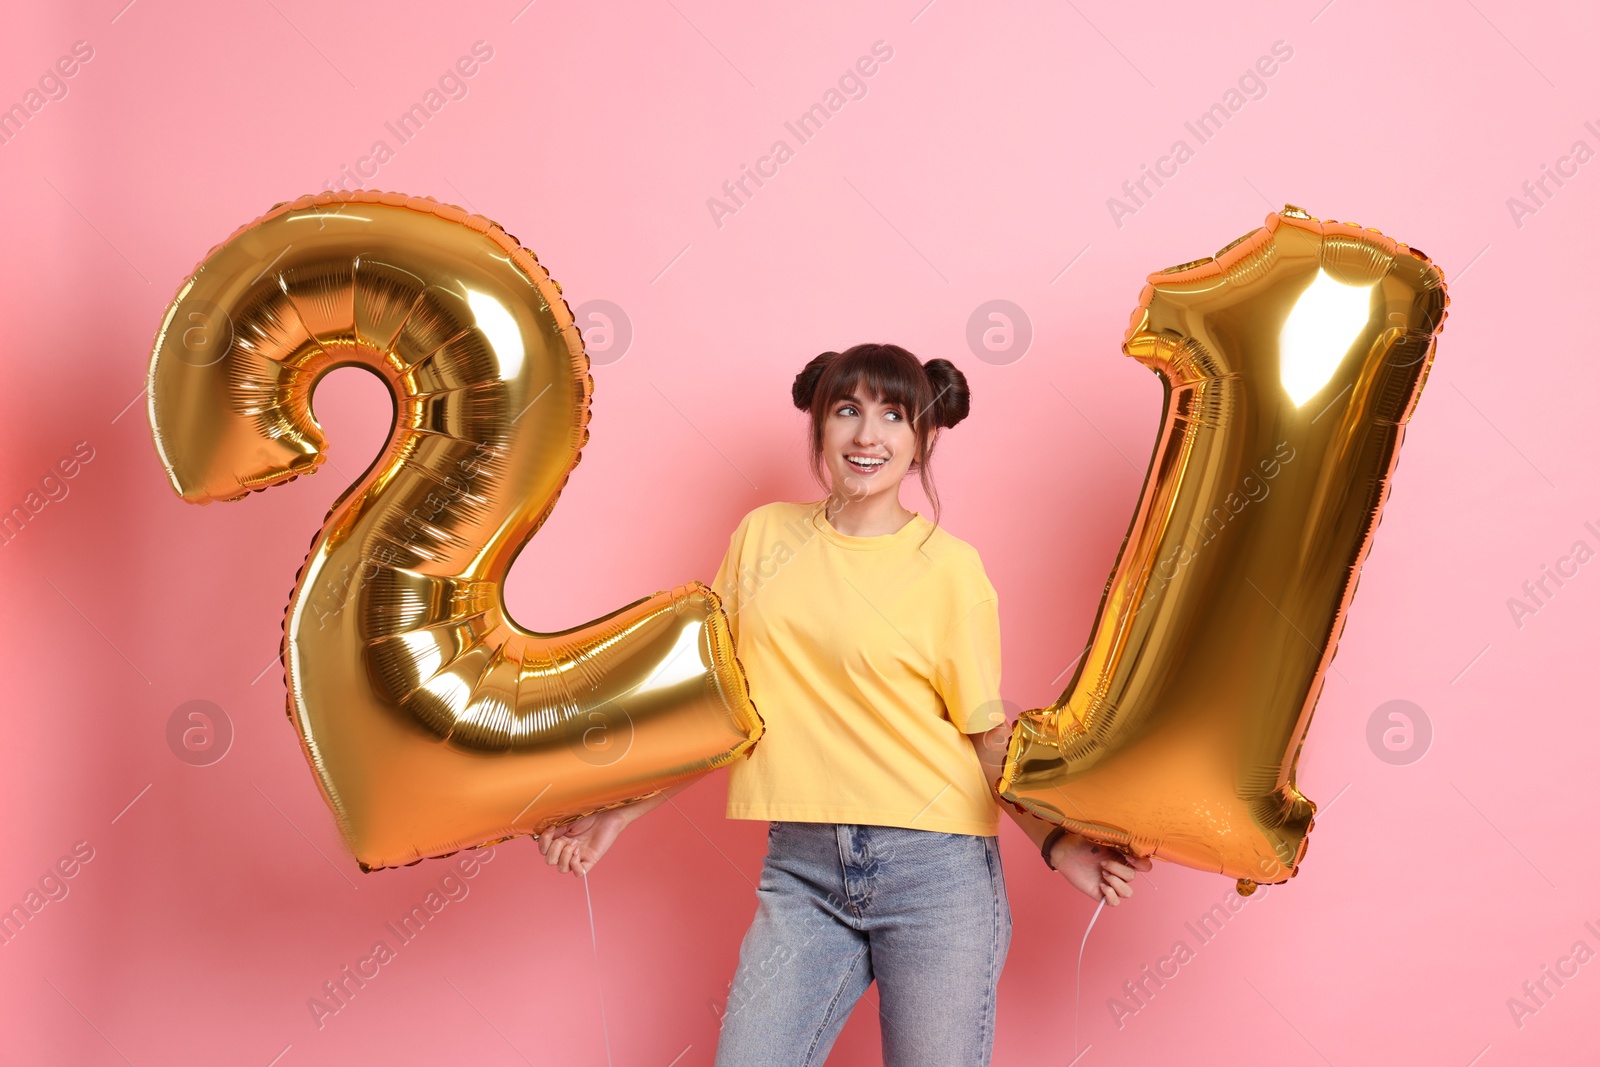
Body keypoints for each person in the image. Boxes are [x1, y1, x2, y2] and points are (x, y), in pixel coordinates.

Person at [535, 343, 1150, 1065]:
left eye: (894, 415)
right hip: (802, 869)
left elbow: (983, 737)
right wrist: (617, 811)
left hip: (936, 875)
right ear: (819, 427)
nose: (868, 435)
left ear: (923, 440)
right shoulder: (762, 537)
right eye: (847, 410)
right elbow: (715, 711)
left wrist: (1057, 842)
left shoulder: (951, 571)